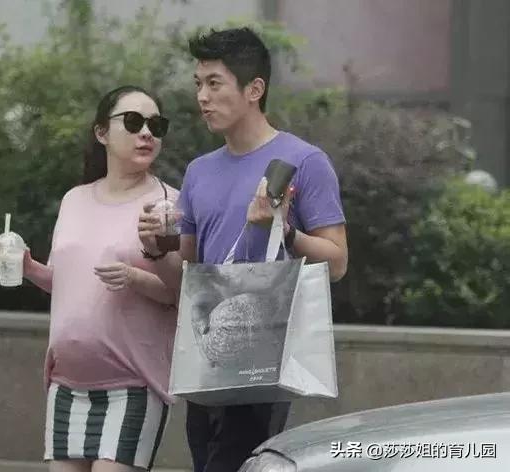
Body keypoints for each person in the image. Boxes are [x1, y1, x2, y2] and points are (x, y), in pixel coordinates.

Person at [137, 28, 348, 472]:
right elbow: (190, 274)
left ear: (254, 89)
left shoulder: (303, 161)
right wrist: (157, 248)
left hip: (263, 358)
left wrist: (284, 232)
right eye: (198, 83)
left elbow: (337, 263)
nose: (202, 97)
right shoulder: (198, 171)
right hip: (207, 359)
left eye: (214, 83)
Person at [0, 85, 178, 472]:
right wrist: (29, 267)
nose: (147, 133)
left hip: (133, 383)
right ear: (101, 132)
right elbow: (69, 284)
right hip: (67, 382)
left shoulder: (168, 205)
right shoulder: (74, 199)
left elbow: (182, 293)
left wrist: (134, 277)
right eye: (133, 122)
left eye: (156, 125)